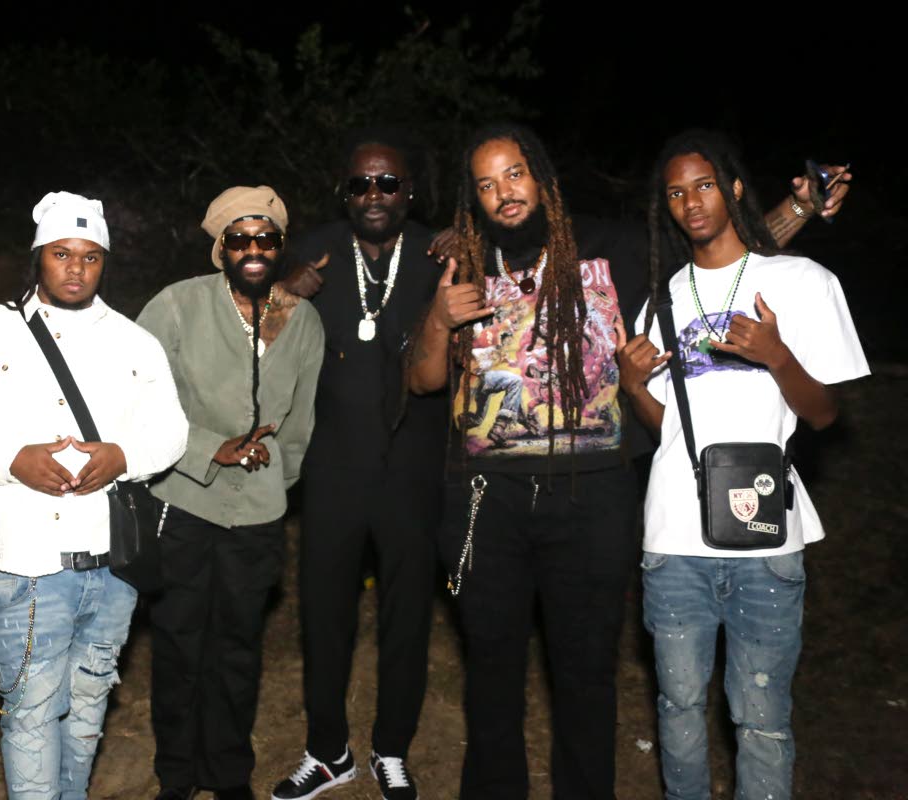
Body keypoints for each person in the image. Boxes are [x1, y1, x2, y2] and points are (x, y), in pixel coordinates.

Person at [407, 122, 851, 800]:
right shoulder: (459, 265)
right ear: (473, 196)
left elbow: (717, 252)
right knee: (491, 675)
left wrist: (801, 207)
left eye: (515, 174)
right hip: (484, 503)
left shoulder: (608, 247)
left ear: (542, 179)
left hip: (591, 501)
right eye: (487, 183)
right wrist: (439, 319)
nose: (504, 192)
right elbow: (423, 382)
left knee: (586, 675)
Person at [616, 129, 868, 800]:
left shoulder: (802, 282)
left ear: (732, 188)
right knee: (678, 709)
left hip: (766, 541)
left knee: (761, 720)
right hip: (674, 537)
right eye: (676, 193)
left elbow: (824, 415)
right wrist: (634, 387)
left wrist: (777, 355)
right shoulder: (663, 299)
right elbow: (671, 430)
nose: (691, 202)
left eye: (704, 185)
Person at [0, 191, 188, 800]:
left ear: (104, 262)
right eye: (61, 254)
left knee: (85, 713)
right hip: (26, 562)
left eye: (90, 256)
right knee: (31, 716)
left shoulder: (135, 342)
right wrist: (14, 461)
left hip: (112, 564)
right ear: (38, 256)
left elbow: (172, 432)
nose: (76, 268)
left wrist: (123, 456)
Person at [137, 185, 325, 800]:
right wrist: (206, 450)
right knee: (179, 645)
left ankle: (228, 775)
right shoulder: (176, 305)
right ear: (222, 247)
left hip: (257, 513)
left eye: (265, 238)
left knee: (238, 648)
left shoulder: (303, 320)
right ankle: (176, 776)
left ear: (280, 246)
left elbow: (299, 426)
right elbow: (135, 401)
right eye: (240, 239)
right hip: (182, 502)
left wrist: (272, 483)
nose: (253, 250)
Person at [273, 128, 443, 800]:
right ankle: (327, 752)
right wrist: (285, 292)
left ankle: (391, 748)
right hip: (333, 468)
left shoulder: (437, 255)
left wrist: (470, 247)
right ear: (344, 193)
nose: (374, 194)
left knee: (407, 617)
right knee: (324, 614)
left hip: (412, 468)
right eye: (361, 183)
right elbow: (258, 334)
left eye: (388, 183)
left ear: (409, 192)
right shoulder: (311, 251)